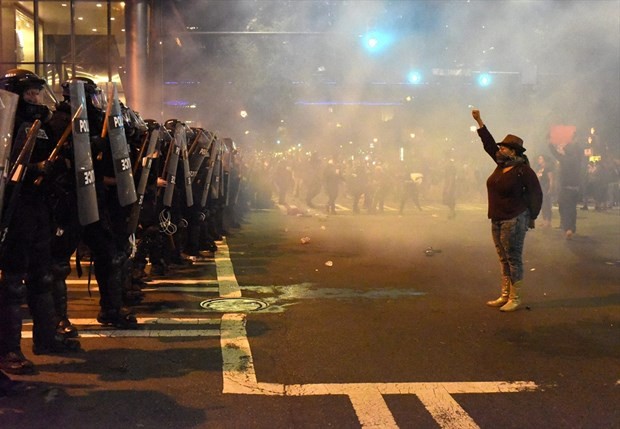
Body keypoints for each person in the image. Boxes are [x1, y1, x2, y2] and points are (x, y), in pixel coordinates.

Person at [0, 69, 81, 376]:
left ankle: (46, 338)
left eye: (37, 92)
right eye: (31, 92)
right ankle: (8, 350)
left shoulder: (43, 125)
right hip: (15, 210)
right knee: (12, 283)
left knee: (42, 276)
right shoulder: (7, 124)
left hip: (39, 209)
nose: (36, 98)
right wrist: (33, 167)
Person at [472, 109, 542, 312]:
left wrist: (532, 216)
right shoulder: (500, 165)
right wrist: (479, 121)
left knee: (513, 258)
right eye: (500, 147)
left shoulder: (523, 171)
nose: (500, 149)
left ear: (513, 151)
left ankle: (515, 297)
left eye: (504, 147)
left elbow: (536, 194)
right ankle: (505, 295)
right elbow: (488, 145)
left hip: (515, 218)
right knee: (503, 257)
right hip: (497, 217)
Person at [548, 140, 582, 239]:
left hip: (566, 188)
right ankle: (571, 227)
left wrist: (550, 143)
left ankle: (568, 228)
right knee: (572, 208)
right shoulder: (576, 159)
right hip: (575, 188)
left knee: (564, 208)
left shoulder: (565, 159)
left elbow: (555, 153)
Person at [536, 154, 555, 227]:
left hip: (546, 186)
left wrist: (551, 188)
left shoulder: (548, 168)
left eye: (540, 158)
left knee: (547, 204)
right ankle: (544, 220)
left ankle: (548, 221)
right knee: (542, 204)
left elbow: (551, 179)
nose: (539, 160)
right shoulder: (539, 167)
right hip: (540, 187)